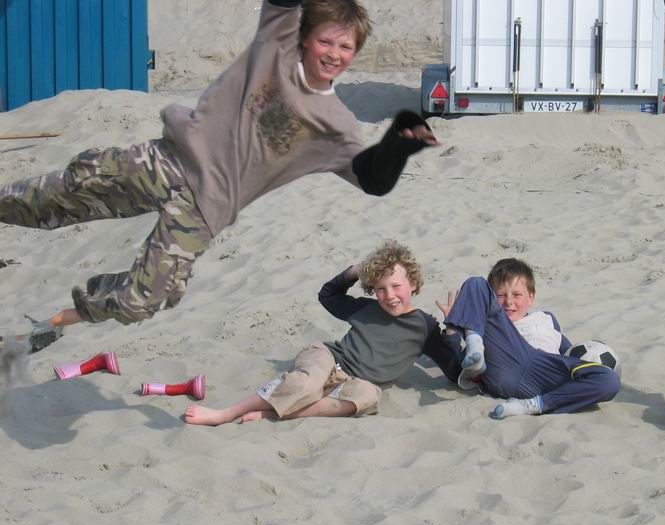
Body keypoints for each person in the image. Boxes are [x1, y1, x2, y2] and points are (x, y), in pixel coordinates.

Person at [0, 0, 438, 350]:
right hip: (167, 161)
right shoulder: (275, 44)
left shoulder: (337, 125)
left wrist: (398, 144)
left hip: (203, 212)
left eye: (346, 48)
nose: (334, 54)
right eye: (327, 41)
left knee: (142, 300)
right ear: (306, 38)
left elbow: (372, 180)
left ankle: (56, 322)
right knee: (59, 196)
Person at [184, 241, 461, 424]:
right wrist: (354, 272)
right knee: (306, 385)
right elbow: (328, 296)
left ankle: (272, 413)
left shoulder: (424, 326)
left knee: (369, 396)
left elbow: (454, 371)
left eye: (396, 286)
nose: (389, 296)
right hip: (327, 358)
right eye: (380, 288)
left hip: (355, 381)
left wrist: (451, 329)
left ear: (413, 283)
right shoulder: (366, 308)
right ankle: (225, 413)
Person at [437, 258, 620, 418]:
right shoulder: (489, 329)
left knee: (610, 380)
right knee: (475, 283)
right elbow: (455, 371)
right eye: (500, 295)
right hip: (504, 364)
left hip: (544, 370)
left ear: (531, 298)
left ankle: (534, 405)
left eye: (517, 295)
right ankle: (473, 340)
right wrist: (453, 329)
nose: (509, 301)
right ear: (490, 299)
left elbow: (569, 354)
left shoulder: (546, 319)